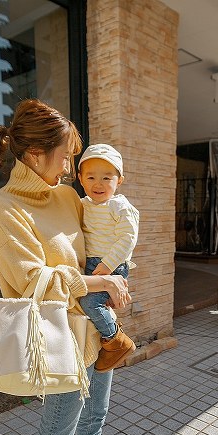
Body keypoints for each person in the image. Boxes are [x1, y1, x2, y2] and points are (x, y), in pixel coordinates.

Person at [0, 99, 132, 435]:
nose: (70, 167)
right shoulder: (1, 206)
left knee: (97, 416)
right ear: (33, 155)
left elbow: (103, 234)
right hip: (58, 338)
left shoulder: (68, 196)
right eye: (64, 156)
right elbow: (31, 281)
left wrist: (120, 258)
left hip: (96, 331)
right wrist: (102, 280)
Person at [78, 144, 139, 372]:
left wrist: (107, 266)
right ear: (80, 178)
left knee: (89, 303)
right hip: (91, 264)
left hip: (111, 266)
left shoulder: (120, 205)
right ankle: (106, 341)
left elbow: (127, 239)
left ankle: (116, 340)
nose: (98, 184)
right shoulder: (82, 204)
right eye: (91, 177)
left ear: (119, 180)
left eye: (106, 177)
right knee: (87, 304)